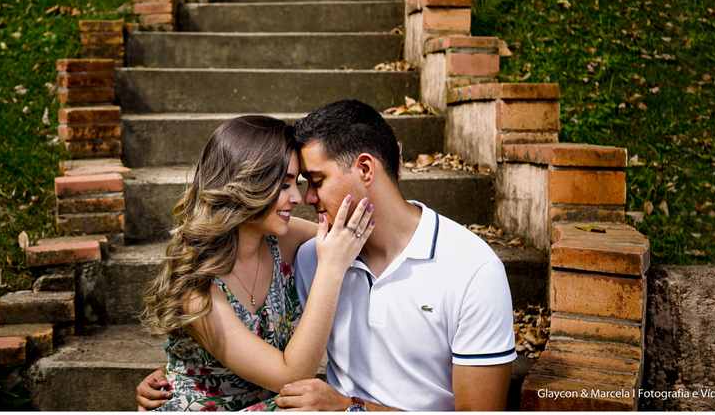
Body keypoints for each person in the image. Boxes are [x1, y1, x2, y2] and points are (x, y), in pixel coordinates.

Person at [139, 101, 516, 411]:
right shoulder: (314, 255)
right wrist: (186, 369)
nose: (304, 199)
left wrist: (351, 408)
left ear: (366, 168)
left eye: (313, 181)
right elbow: (256, 354)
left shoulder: (471, 268)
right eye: (288, 184)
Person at [139, 115, 376, 411]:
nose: (298, 198)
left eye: (297, 183)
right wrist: (330, 269)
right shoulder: (195, 291)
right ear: (247, 184)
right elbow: (293, 376)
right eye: (285, 184)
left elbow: (354, 239)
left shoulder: (283, 241)